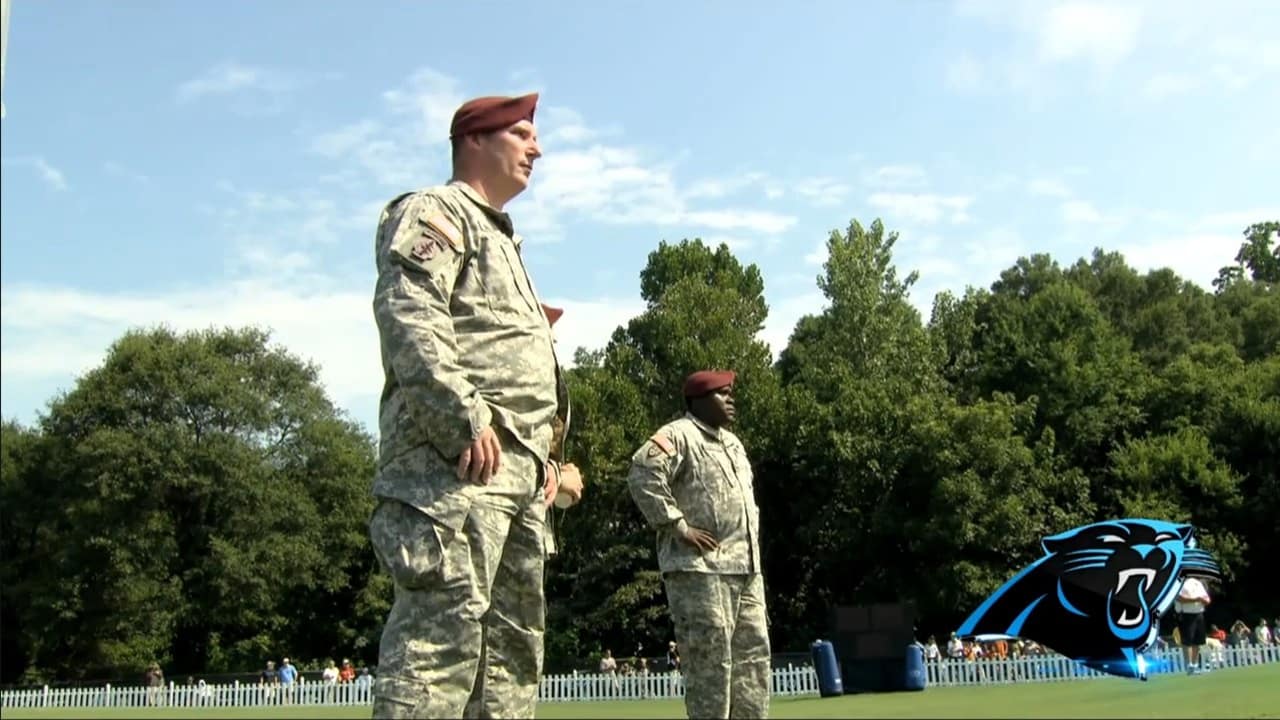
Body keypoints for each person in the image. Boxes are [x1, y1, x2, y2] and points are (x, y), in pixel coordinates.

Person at [368, 91, 576, 719]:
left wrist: (542, 461)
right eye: (521, 133)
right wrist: (463, 417)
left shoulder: (504, 239)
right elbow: (409, 311)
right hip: (457, 472)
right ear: (474, 141)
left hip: (514, 478)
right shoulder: (437, 211)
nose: (536, 147)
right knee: (439, 649)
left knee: (509, 664)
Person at [626, 369, 771, 719]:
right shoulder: (679, 435)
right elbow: (642, 473)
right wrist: (677, 525)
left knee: (753, 664)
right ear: (699, 401)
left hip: (746, 570)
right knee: (711, 667)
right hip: (701, 571)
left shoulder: (733, 443)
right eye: (723, 394)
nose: (731, 400)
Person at [1175, 575, 1212, 674]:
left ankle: (1194, 665)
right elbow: (1179, 598)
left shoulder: (1197, 583)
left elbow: (1206, 598)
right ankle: (1189, 665)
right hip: (1186, 614)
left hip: (1198, 614)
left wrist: (1203, 600)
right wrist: (1196, 599)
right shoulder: (1179, 582)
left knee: (1197, 641)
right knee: (1187, 641)